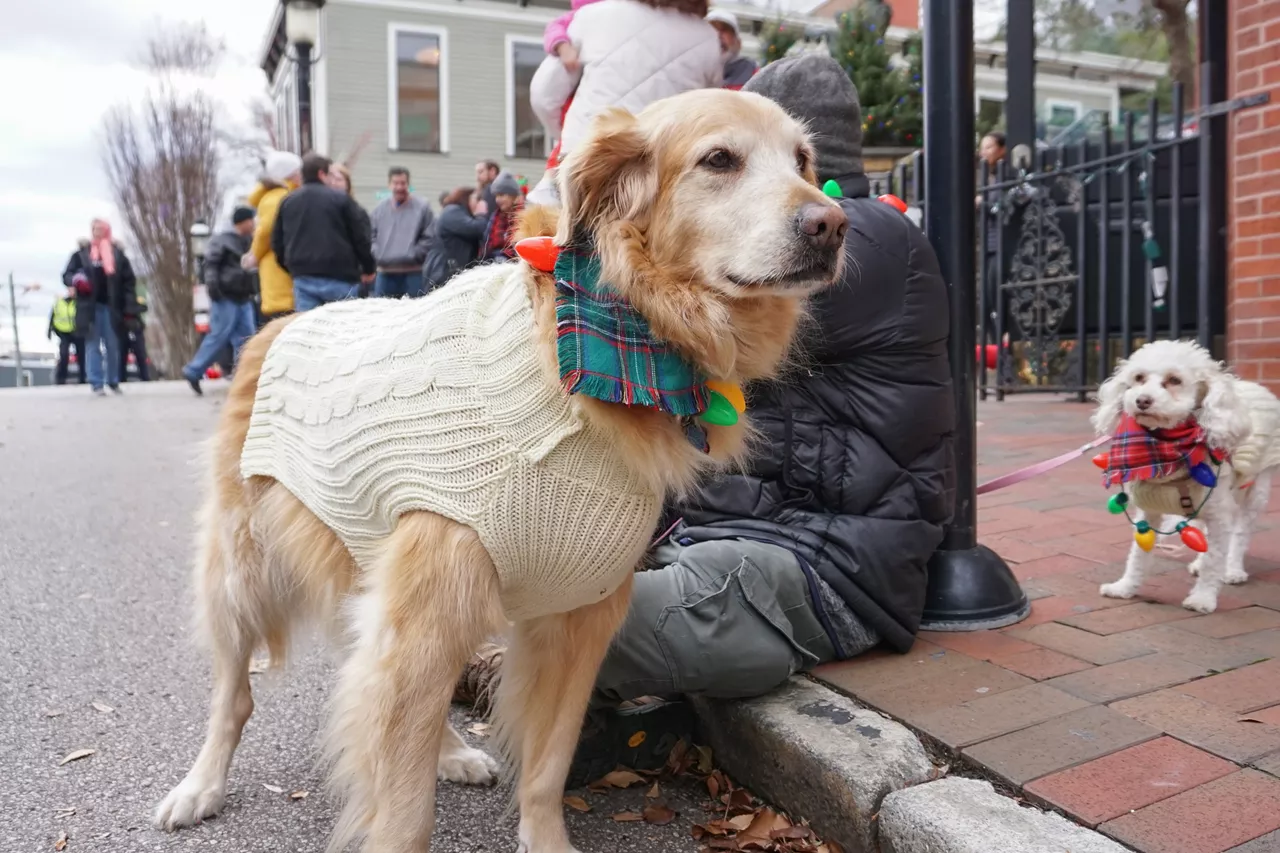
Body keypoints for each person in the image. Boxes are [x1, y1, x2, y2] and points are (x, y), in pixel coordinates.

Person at [457, 53, 955, 784]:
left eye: (776, 156)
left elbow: (683, 303)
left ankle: (498, 682)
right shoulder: (785, 232)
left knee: (568, 617)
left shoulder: (869, 238)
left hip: (827, 567)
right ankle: (569, 709)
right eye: (727, 158)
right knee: (560, 574)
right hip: (726, 535)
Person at [526, 0, 723, 206]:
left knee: (561, 231)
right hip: (655, 174)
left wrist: (565, 136)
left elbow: (543, 94)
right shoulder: (708, 38)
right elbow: (706, 112)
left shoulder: (595, 15)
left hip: (587, 156)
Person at [271, 153, 376, 311]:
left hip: (303, 277)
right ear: (321, 173)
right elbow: (360, 238)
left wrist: (292, 269)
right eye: (329, 174)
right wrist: (368, 267)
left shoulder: (288, 202)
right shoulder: (340, 199)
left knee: (309, 331)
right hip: (341, 277)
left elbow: (277, 243)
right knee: (344, 329)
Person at [182, 207, 260, 396]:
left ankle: (242, 377)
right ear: (243, 222)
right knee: (219, 336)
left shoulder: (248, 240)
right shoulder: (221, 240)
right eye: (252, 220)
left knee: (247, 339)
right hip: (226, 297)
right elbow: (210, 265)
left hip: (243, 297)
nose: (254, 223)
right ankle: (194, 370)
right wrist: (214, 290)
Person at [61, 219, 138, 396]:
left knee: (113, 345)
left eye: (101, 229)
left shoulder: (117, 255)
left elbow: (129, 282)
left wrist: (129, 308)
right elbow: (67, 274)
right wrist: (76, 280)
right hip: (89, 308)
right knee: (92, 345)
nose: (98, 232)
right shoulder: (81, 255)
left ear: (107, 231)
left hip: (112, 307)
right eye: (95, 229)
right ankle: (96, 383)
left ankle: (113, 380)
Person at [246, 150, 302, 323]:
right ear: (290, 175)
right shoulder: (278, 198)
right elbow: (267, 230)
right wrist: (254, 255)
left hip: (277, 270)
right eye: (298, 172)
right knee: (283, 322)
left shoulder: (275, 197)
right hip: (279, 274)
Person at [370, 167, 435, 298]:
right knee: (382, 314)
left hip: (413, 274)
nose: (399, 187)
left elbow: (430, 236)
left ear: (408, 185)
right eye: (396, 183)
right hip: (384, 274)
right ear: (389, 185)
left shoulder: (422, 207)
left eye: (403, 183)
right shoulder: (379, 210)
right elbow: (370, 236)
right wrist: (377, 253)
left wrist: (414, 254)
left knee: (416, 313)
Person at [422, 187, 489, 293]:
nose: (479, 203)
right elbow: (475, 229)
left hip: (450, 271)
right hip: (443, 272)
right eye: (477, 199)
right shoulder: (452, 212)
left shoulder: (459, 213)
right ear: (467, 198)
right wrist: (481, 214)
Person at [706, 9, 758, 89]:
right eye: (711, 29)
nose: (717, 35)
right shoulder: (690, 71)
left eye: (725, 30)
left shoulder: (752, 73)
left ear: (738, 43)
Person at [479, 172, 524, 263]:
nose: (497, 200)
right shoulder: (495, 217)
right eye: (496, 196)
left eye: (502, 195)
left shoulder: (523, 217)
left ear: (513, 196)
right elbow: (486, 243)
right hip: (492, 264)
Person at [47, 284, 84, 385]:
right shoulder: (60, 302)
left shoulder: (80, 302)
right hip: (63, 332)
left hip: (78, 332)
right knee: (63, 354)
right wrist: (50, 331)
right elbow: (52, 317)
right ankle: (61, 378)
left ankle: (83, 378)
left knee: (81, 355)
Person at [116, 299, 150, 382]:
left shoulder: (136, 297)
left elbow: (144, 307)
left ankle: (145, 376)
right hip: (123, 328)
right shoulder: (117, 296)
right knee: (122, 354)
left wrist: (132, 310)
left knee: (140, 354)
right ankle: (121, 378)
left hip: (135, 327)